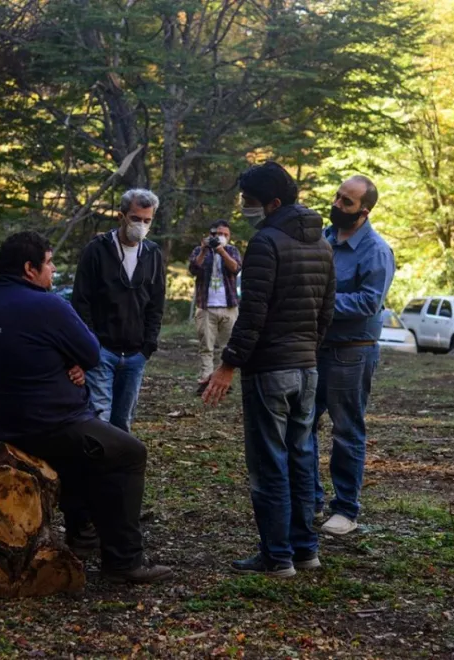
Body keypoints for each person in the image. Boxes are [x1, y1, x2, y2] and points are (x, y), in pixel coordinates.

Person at [0, 231, 173, 584]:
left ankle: (84, 536)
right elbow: (91, 353)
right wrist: (70, 360)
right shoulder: (46, 304)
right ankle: (124, 560)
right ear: (29, 269)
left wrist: (62, 361)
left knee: (86, 450)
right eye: (48, 262)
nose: (53, 269)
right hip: (45, 423)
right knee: (128, 451)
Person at [203, 162, 336, 577]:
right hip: (307, 368)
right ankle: (305, 549)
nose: (245, 207)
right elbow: (326, 310)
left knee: (269, 464)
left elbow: (253, 313)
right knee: (302, 458)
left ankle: (277, 555)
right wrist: (308, 351)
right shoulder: (324, 244)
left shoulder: (266, 242)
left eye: (251, 201)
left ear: (274, 203)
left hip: (271, 371)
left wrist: (227, 365)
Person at [311, 175, 395, 536]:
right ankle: (309, 499)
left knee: (346, 432)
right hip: (315, 347)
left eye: (347, 202)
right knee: (302, 425)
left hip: (352, 352)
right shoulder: (323, 239)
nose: (337, 205)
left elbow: (368, 302)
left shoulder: (376, 250)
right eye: (337, 197)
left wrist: (321, 302)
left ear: (365, 210)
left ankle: (345, 510)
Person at [72, 188, 166, 433]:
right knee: (98, 418)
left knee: (122, 422)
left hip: (136, 353)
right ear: (121, 216)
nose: (141, 225)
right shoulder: (97, 250)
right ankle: (94, 470)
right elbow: (81, 300)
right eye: (136, 218)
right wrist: (91, 343)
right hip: (101, 350)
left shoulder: (153, 254)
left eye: (147, 220)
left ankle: (117, 470)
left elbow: (156, 303)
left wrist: (148, 346)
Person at [188, 220, 242, 393]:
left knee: (228, 347)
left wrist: (221, 250)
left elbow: (235, 268)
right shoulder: (199, 250)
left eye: (226, 235)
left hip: (229, 306)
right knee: (206, 346)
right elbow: (194, 269)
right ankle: (206, 380)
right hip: (206, 306)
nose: (222, 237)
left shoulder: (232, 250)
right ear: (211, 234)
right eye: (219, 234)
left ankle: (222, 382)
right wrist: (205, 249)